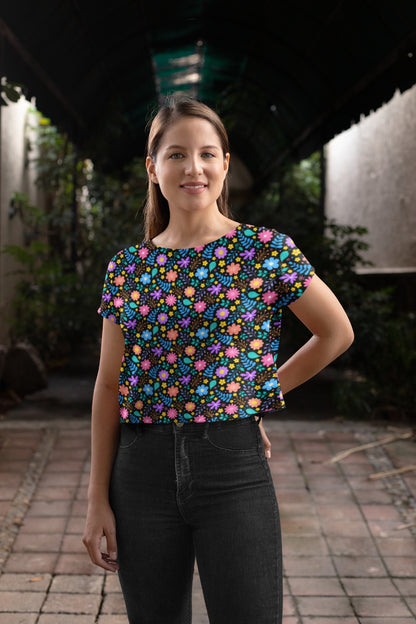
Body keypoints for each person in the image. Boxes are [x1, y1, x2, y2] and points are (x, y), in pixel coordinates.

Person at [82, 97, 354, 624]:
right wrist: (97, 500)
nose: (193, 168)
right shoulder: (129, 268)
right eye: (176, 154)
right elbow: (108, 384)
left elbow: (335, 333)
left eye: (208, 153)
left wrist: (257, 393)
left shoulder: (264, 251)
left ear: (225, 164)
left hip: (233, 466)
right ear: (153, 167)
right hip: (139, 474)